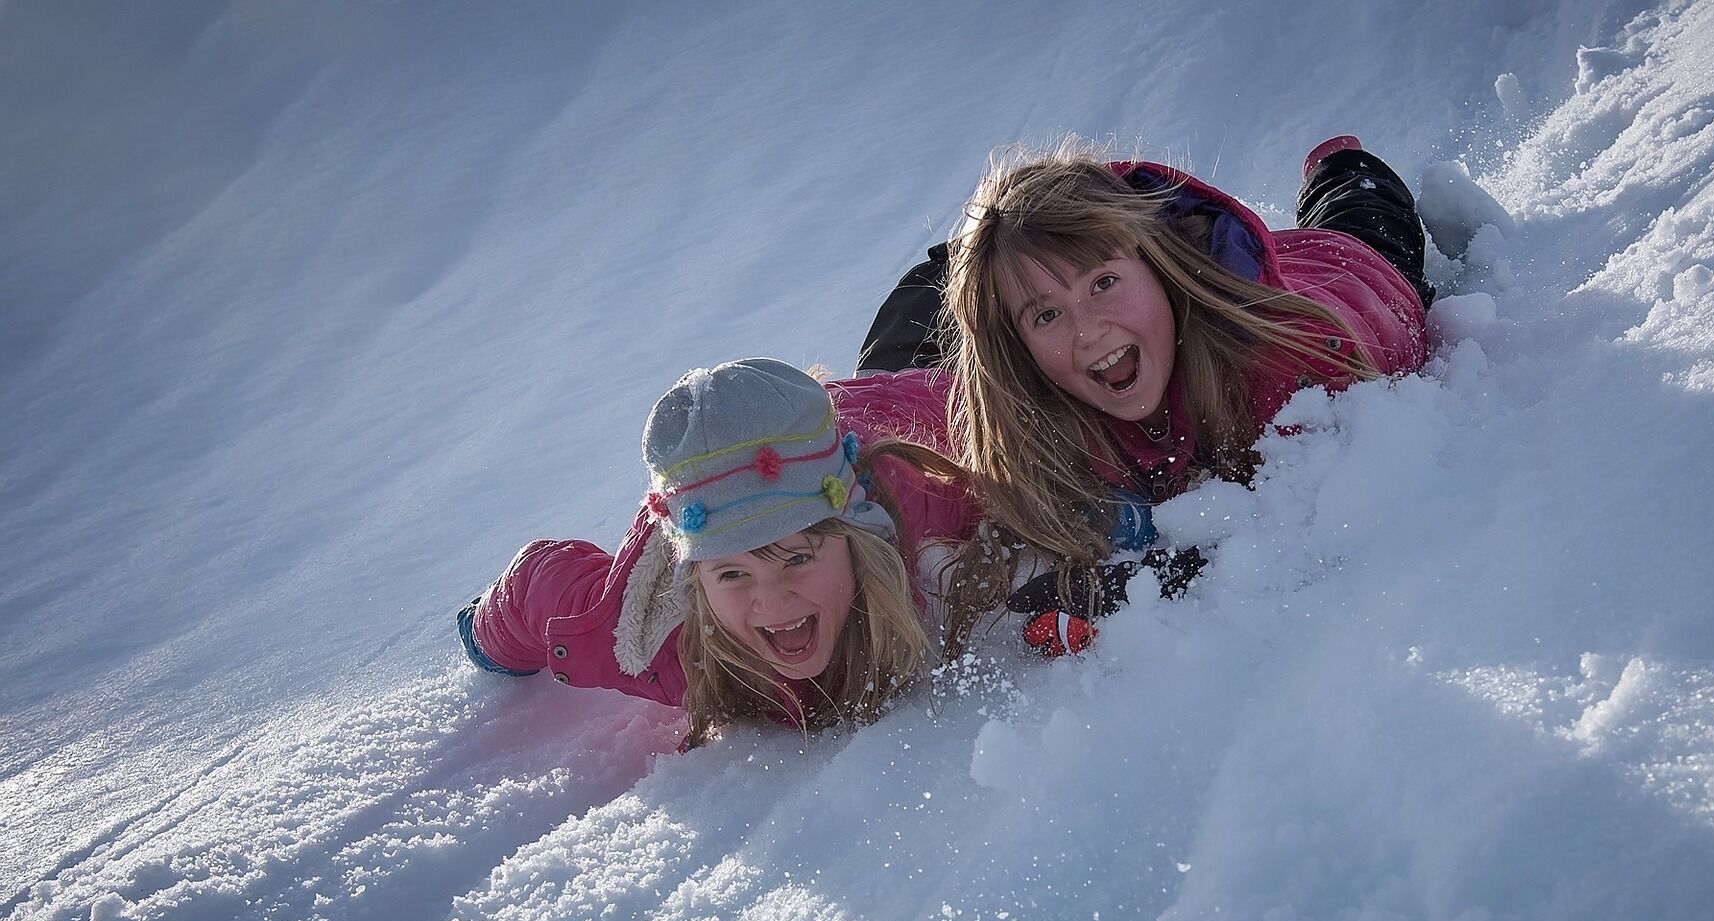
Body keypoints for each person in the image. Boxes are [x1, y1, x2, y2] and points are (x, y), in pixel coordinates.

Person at [862, 136, 1432, 653]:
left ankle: (1337, 163)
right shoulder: (1030, 399)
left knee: (1360, 212)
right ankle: (976, 267)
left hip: (1349, 270)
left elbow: (1298, 533)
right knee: (919, 329)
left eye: (1104, 283)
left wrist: (1153, 578)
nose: (1089, 330)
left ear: (1159, 267)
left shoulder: (1284, 365)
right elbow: (896, 416)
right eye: (1047, 315)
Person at [458, 359, 978, 746]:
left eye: (797, 557)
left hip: (896, 405)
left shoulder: (923, 501)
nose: (772, 603)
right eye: (732, 573)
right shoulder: (657, 640)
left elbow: (994, 414)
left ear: (855, 538)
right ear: (695, 580)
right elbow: (537, 585)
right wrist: (485, 640)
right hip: (733, 483)